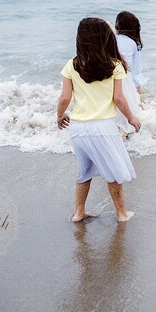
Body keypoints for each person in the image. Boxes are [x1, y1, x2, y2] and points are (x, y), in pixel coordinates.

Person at [57, 17, 141, 223]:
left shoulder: (71, 65)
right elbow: (119, 99)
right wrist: (131, 118)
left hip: (79, 130)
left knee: (84, 171)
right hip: (103, 128)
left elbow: (65, 98)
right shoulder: (114, 66)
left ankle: (79, 212)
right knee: (113, 173)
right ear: (106, 39)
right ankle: (121, 214)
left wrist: (60, 116)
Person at [114, 11, 147, 136]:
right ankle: (125, 133)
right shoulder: (134, 44)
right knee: (130, 107)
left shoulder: (110, 38)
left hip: (109, 77)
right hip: (124, 78)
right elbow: (136, 74)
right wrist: (138, 99)